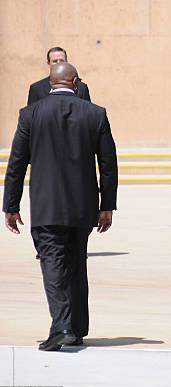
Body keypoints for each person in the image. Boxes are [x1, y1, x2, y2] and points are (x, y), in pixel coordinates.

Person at [3, 62, 117, 351]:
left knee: (53, 265)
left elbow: (16, 164)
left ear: (50, 83)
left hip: (47, 206)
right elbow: (108, 165)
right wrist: (107, 206)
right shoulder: (95, 113)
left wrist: (10, 205)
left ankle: (63, 327)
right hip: (82, 207)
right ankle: (76, 327)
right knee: (77, 263)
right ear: (75, 82)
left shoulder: (31, 114)